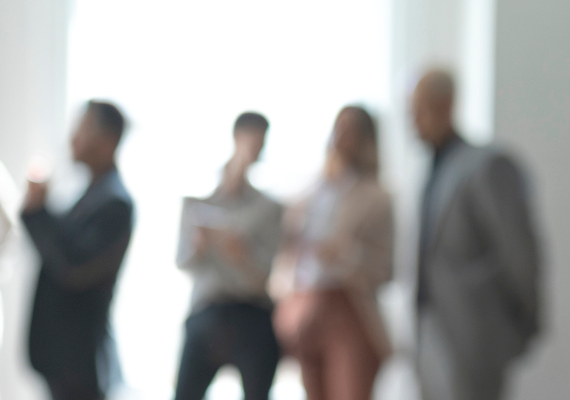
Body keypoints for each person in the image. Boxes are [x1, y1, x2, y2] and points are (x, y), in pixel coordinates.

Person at [411, 69, 542, 400]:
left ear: (447, 104)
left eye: (420, 109)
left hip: (475, 334)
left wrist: (524, 325)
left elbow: (520, 253)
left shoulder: (488, 165)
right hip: (428, 331)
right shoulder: (428, 171)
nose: (413, 122)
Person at [272, 106, 394, 400]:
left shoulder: (377, 197)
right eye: (338, 129)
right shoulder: (313, 193)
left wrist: (345, 255)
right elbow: (285, 240)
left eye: (351, 130)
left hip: (349, 306)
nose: (341, 138)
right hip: (306, 307)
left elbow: (387, 269)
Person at [22, 100, 134, 400]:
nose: (72, 139)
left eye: (82, 130)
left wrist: (38, 211)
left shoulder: (115, 203)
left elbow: (72, 265)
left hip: (79, 361)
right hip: (64, 358)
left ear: (107, 142)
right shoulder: (93, 193)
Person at [173, 112, 283, 400]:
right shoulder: (197, 201)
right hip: (208, 309)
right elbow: (183, 262)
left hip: (251, 312)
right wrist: (199, 248)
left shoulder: (269, 208)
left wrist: (241, 254)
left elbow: (265, 278)